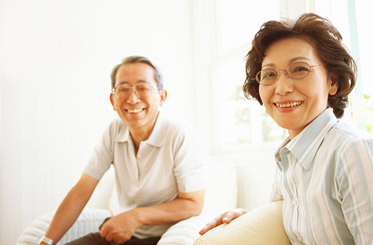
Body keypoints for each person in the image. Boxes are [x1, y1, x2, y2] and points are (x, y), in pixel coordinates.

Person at [199, 13, 373, 244]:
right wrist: (247, 222)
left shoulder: (352, 150)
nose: (281, 88)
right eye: (269, 74)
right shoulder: (288, 157)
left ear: (333, 81)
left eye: (299, 69)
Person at [38, 55, 207, 245]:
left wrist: (136, 217)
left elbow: (193, 205)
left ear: (161, 96)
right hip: (115, 234)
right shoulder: (113, 130)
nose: (132, 98)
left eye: (142, 88)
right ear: (113, 99)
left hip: (160, 238)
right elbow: (81, 191)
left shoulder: (180, 134)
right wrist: (47, 241)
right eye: (123, 89)